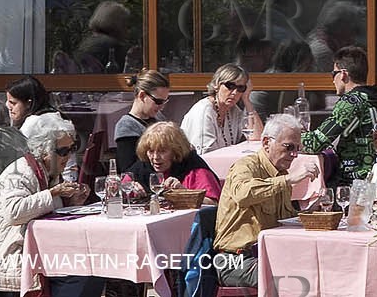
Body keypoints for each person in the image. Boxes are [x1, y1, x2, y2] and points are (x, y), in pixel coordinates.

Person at [0, 115, 102, 297]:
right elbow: (13, 212)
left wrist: (73, 201)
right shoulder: (20, 173)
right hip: (9, 257)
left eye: (72, 149)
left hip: (37, 249)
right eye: (63, 151)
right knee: (81, 274)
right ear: (44, 150)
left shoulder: (49, 171)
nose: (68, 156)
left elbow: (46, 208)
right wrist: (53, 193)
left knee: (97, 266)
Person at [214, 115, 322, 288]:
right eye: (289, 147)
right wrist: (289, 180)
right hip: (235, 260)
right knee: (295, 280)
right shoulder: (246, 166)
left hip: (268, 255)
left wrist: (312, 213)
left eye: (297, 148)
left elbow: (284, 222)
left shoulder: (280, 174)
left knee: (319, 268)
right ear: (266, 143)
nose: (294, 154)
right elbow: (243, 193)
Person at [302, 47, 377, 185]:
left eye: (334, 74)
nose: (333, 80)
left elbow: (316, 143)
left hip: (354, 179)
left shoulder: (350, 102)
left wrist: (291, 137)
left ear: (343, 74)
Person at [123, 121, 222, 204]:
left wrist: (184, 194)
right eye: (151, 151)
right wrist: (127, 190)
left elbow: (213, 203)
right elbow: (115, 191)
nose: (155, 157)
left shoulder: (194, 169)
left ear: (175, 151)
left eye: (162, 151)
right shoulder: (141, 168)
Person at [182, 64, 260, 154]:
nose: (235, 92)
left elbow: (256, 138)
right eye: (230, 86)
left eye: (240, 88)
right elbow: (206, 153)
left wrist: (246, 99)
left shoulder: (233, 110)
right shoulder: (204, 111)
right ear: (217, 85)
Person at [114, 69, 171, 172]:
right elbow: (128, 171)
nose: (162, 107)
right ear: (142, 96)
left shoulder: (158, 118)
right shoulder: (127, 126)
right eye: (158, 101)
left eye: (165, 101)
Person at [77, 0, 136, 74]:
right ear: (117, 24)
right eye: (125, 25)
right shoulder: (115, 48)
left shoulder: (86, 44)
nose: (128, 31)